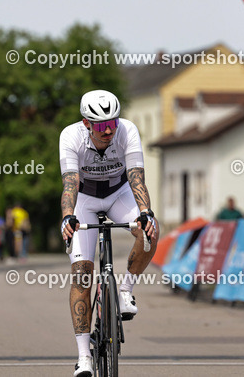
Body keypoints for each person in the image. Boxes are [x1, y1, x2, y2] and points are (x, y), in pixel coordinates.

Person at [60, 89, 158, 377]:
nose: (108, 131)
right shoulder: (70, 136)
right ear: (86, 123)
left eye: (112, 124)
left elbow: (136, 176)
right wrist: (68, 216)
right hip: (85, 200)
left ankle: (126, 291)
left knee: (150, 231)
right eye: (101, 126)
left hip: (119, 194)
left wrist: (145, 213)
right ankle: (84, 357)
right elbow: (70, 183)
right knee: (81, 272)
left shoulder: (127, 130)